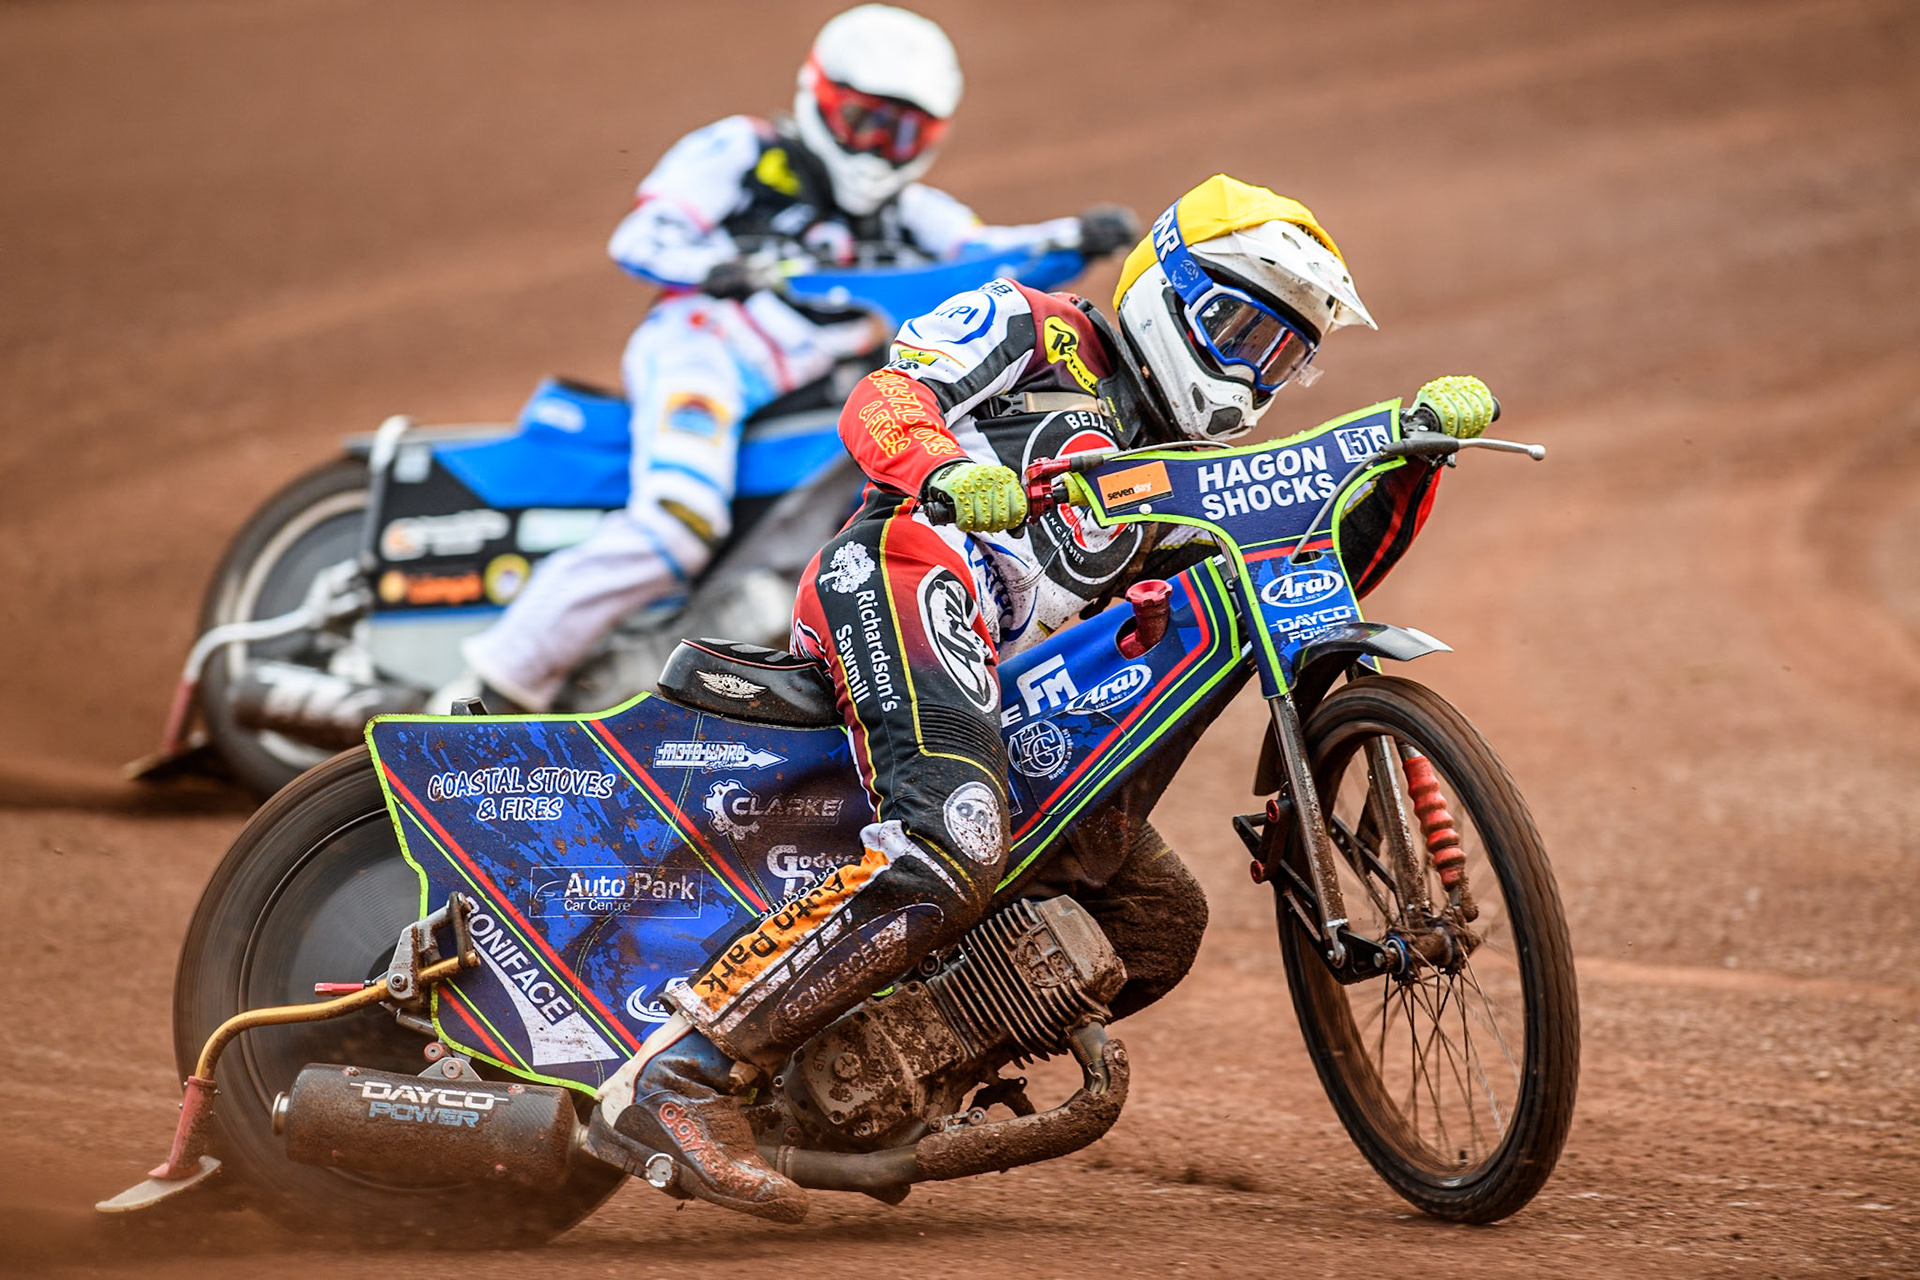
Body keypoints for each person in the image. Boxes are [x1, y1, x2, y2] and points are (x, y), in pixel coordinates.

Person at [590, 174, 1500, 1220]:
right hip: (905, 569)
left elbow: (1316, 570)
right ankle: (681, 1074)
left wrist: (1414, 459)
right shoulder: (1035, 327)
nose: (1250, 370)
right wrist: (939, 465)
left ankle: (849, 1084)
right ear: (1167, 288)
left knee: (1156, 920)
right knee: (956, 833)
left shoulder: (1202, 475)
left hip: (1012, 691)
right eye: (1236, 327)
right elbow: (886, 394)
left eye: (1281, 353)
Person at [452, 4, 1139, 713]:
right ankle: (494, 683)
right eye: (864, 121)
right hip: (705, 350)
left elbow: (986, 253)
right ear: (819, 96)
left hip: (811, 391)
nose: (878, 149)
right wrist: (718, 265)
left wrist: (1077, 235)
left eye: (902, 132)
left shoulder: (911, 212)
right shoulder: (743, 151)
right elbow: (642, 234)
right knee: (676, 520)